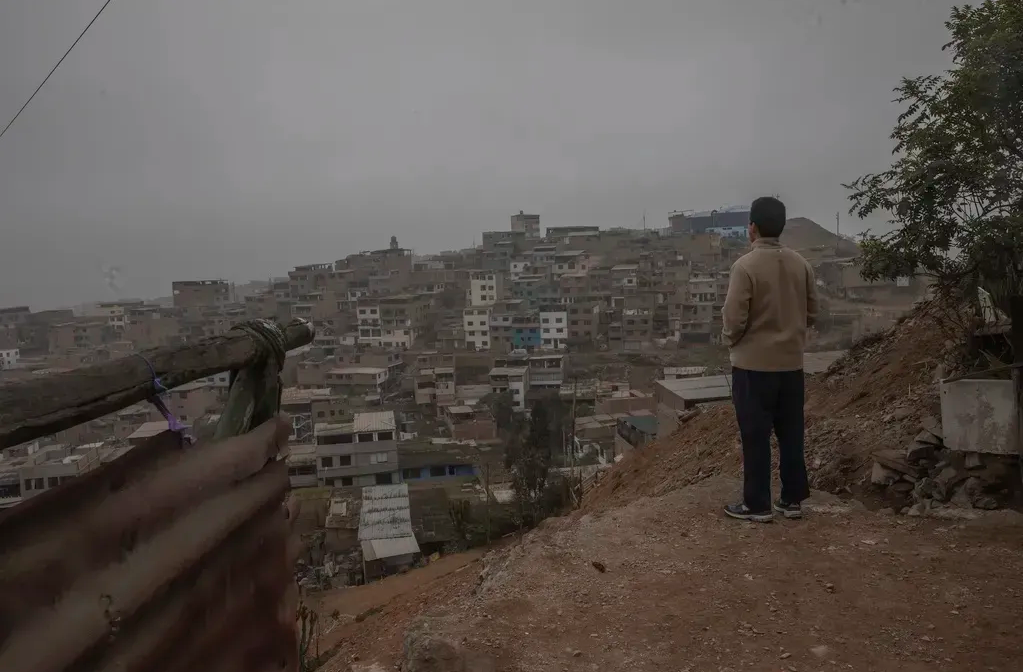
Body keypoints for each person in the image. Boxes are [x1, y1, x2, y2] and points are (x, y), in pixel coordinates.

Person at [721, 196, 819, 522]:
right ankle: (792, 500)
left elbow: (734, 320)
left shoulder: (745, 267)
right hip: (791, 365)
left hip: (752, 366)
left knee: (755, 434)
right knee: (791, 433)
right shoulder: (801, 264)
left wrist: (732, 341)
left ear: (752, 227)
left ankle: (757, 504)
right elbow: (812, 312)